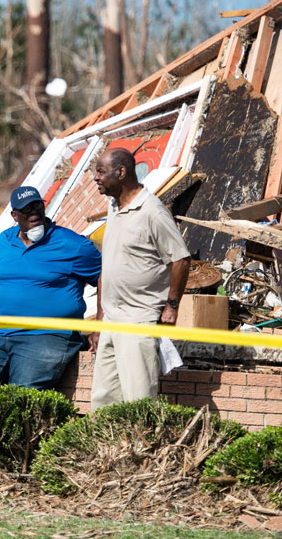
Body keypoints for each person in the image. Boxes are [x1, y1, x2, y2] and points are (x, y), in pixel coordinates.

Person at [0, 185, 102, 390]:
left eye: (37, 206)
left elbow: (106, 276)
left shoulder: (72, 244)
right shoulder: (2, 243)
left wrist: (101, 326)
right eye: (26, 209)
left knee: (24, 393)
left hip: (46, 335)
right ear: (14, 216)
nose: (34, 212)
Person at [89, 147, 190, 409]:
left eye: (101, 172)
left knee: (138, 403)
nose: (95, 177)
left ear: (121, 173)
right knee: (103, 403)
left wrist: (172, 306)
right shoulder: (114, 207)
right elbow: (108, 265)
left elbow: (181, 259)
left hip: (138, 320)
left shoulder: (152, 212)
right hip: (111, 321)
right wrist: (100, 319)